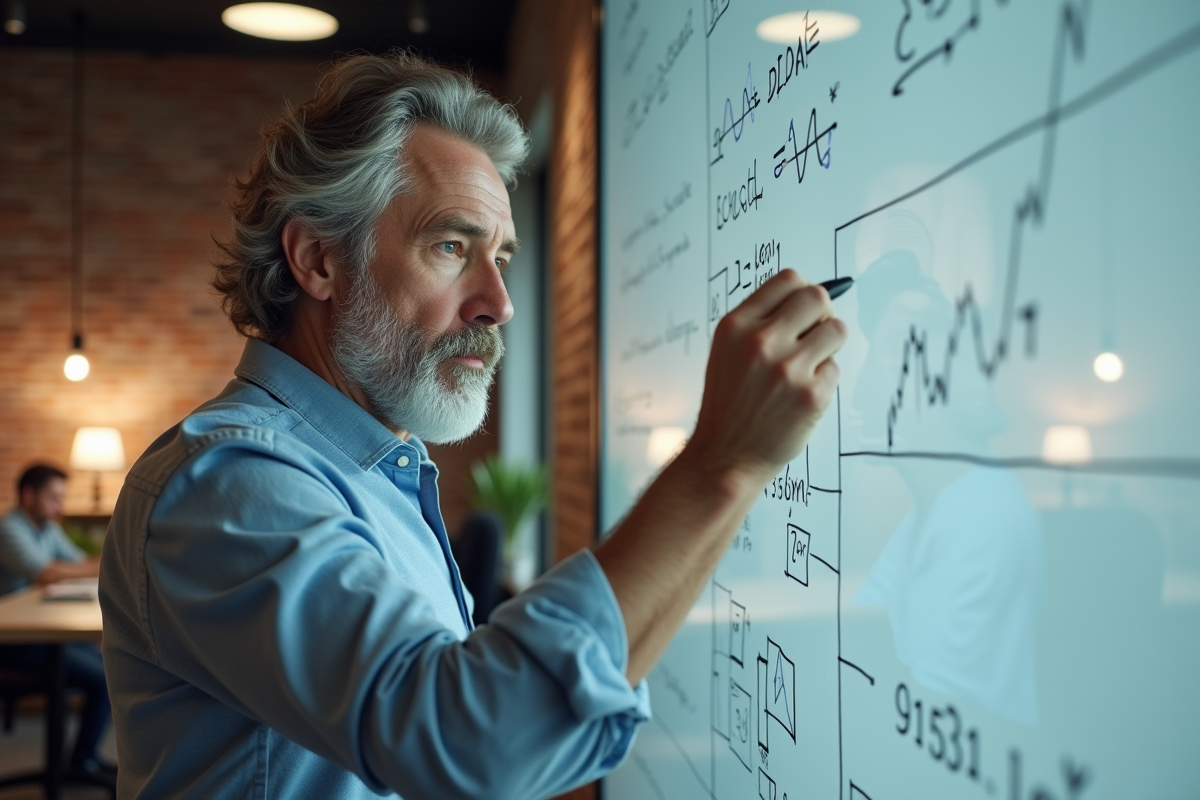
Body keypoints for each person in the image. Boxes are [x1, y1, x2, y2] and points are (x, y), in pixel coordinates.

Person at [99, 52, 846, 799]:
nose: (499, 303)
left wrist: (737, 467)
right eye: (451, 247)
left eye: (502, 257)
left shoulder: (376, 469)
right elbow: (469, 745)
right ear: (318, 258)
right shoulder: (229, 481)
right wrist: (721, 466)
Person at [0, 464, 116, 782]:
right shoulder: (9, 528)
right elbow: (47, 573)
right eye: (53, 498)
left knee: (107, 660)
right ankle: (81, 761)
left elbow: (78, 562)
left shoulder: (47, 529)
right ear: (28, 495)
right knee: (106, 675)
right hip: (11, 642)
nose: (59, 506)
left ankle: (81, 758)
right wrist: (103, 564)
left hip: (36, 633)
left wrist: (93, 565)